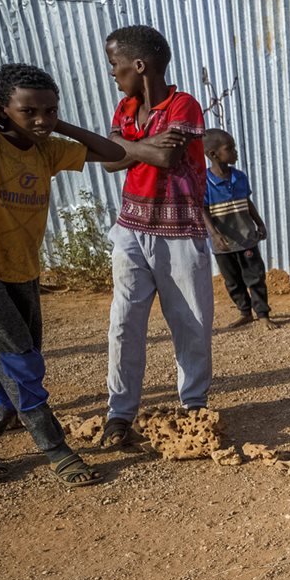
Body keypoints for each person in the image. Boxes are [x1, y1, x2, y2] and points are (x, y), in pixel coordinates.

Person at [0, 62, 124, 485]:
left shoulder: (47, 149)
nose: (41, 120)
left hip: (23, 267)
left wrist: (55, 124)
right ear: (2, 109)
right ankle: (55, 448)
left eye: (49, 110)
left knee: (4, 357)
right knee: (19, 361)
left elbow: (113, 153)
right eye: (29, 111)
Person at [99, 24, 213, 448]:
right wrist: (136, 146)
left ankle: (194, 406)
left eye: (115, 64)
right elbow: (108, 160)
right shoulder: (125, 107)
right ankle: (119, 414)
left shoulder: (185, 105)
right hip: (130, 229)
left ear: (139, 65)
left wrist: (126, 146)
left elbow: (163, 156)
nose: (112, 72)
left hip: (179, 232)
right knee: (124, 323)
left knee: (191, 324)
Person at [202, 128, 274, 330]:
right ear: (213, 154)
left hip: (246, 238)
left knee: (255, 277)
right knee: (232, 281)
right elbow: (203, 210)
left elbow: (246, 202)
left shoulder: (239, 177)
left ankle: (262, 314)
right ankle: (245, 312)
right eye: (230, 148)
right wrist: (214, 235)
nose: (235, 152)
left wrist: (259, 223)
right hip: (223, 244)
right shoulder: (205, 183)